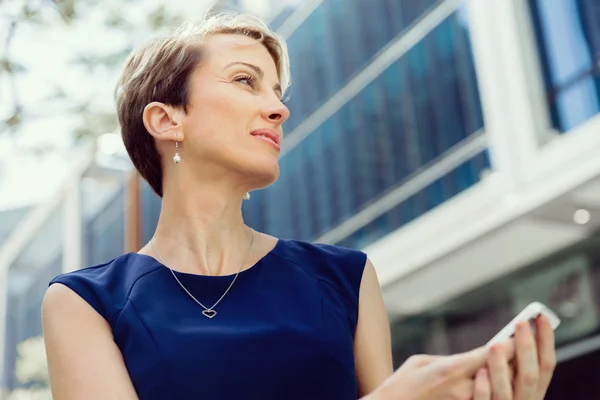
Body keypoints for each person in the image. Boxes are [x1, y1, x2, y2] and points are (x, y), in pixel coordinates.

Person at [41, 11, 556, 400]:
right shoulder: (85, 303)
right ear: (167, 120)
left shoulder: (344, 278)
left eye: (278, 91)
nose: (279, 107)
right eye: (246, 80)